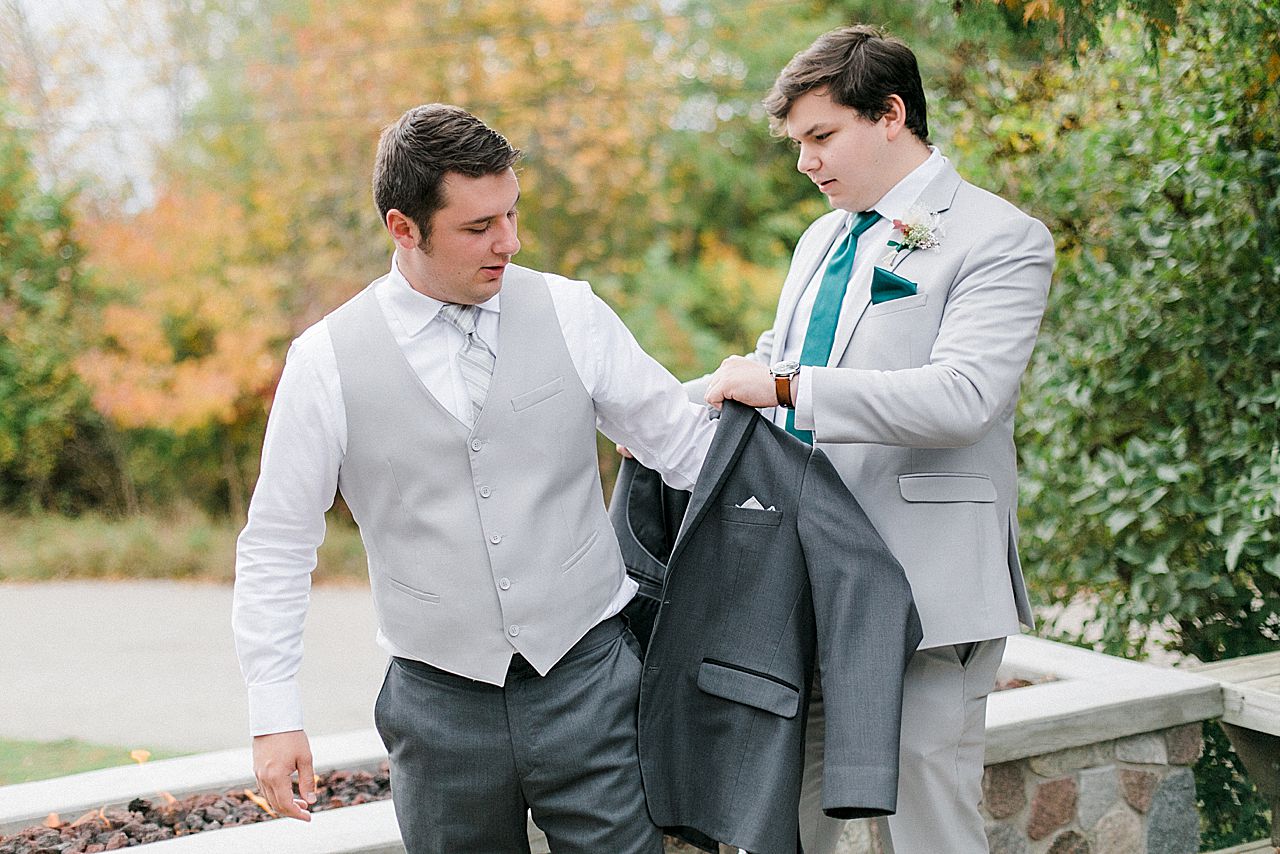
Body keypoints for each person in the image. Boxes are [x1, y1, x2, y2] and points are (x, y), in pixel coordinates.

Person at [231, 103, 715, 853]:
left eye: (512, 214)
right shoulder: (324, 361)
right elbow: (277, 544)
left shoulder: (572, 312)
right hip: (439, 709)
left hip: (591, 682)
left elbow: (686, 450)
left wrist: (798, 412)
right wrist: (273, 713)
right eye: (478, 226)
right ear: (403, 227)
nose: (509, 242)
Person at [701, 25, 1055, 853]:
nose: (806, 162)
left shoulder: (999, 237)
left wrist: (783, 387)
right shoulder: (821, 237)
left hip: (925, 581)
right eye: (797, 143)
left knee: (926, 822)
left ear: (891, 114)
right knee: (789, 816)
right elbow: (778, 362)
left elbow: (964, 398)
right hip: (802, 575)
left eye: (821, 136)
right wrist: (660, 410)